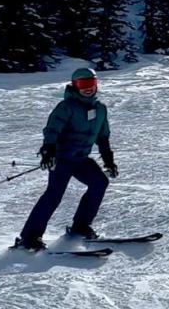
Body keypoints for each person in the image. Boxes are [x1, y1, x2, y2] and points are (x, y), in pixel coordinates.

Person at [14, 67, 119, 250]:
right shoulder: (66, 107)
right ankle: (29, 237)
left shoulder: (100, 109)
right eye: (82, 84)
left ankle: (81, 225)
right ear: (75, 86)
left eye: (91, 84)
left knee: (99, 182)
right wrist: (48, 150)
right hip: (62, 158)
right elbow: (52, 129)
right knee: (54, 194)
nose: (87, 88)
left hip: (81, 159)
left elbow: (103, 136)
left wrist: (108, 160)